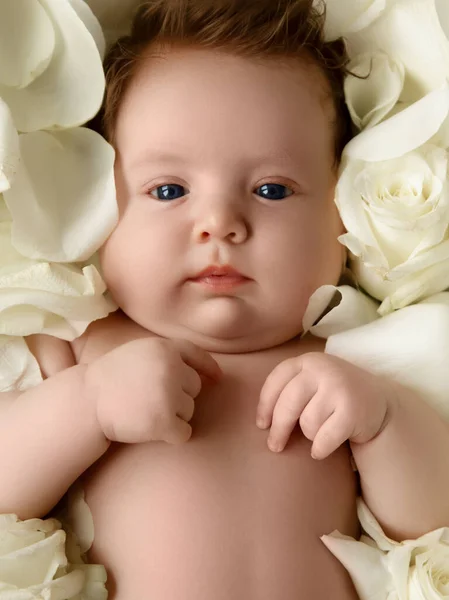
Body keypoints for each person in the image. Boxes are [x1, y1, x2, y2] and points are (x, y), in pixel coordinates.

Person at [1, 0, 449, 598]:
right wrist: (87, 405)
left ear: (340, 211)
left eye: (271, 189)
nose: (219, 222)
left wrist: (385, 420)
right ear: (97, 207)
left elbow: (430, 529)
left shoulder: (354, 361)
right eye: (168, 189)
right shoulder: (85, 347)